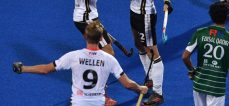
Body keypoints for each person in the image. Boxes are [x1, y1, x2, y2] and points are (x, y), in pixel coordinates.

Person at [107, 0, 173, 105]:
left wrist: (166, 0)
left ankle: (158, 92)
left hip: (146, 16)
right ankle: (150, 78)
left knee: (152, 51)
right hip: (134, 12)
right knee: (139, 46)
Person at [13, 21, 148, 106]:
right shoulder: (110, 59)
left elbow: (45, 69)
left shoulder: (73, 56)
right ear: (101, 38)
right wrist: (140, 88)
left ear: (85, 36)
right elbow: (127, 84)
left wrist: (23, 68)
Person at [73, 0, 128, 105]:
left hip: (86, 18)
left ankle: (87, 89)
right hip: (87, 20)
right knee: (108, 54)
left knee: (96, 53)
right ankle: (98, 94)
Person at [182, 1, 229, 106]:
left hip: (199, 84)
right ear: (226, 16)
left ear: (211, 16)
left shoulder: (199, 33)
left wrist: (192, 71)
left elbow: (185, 57)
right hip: (217, 87)